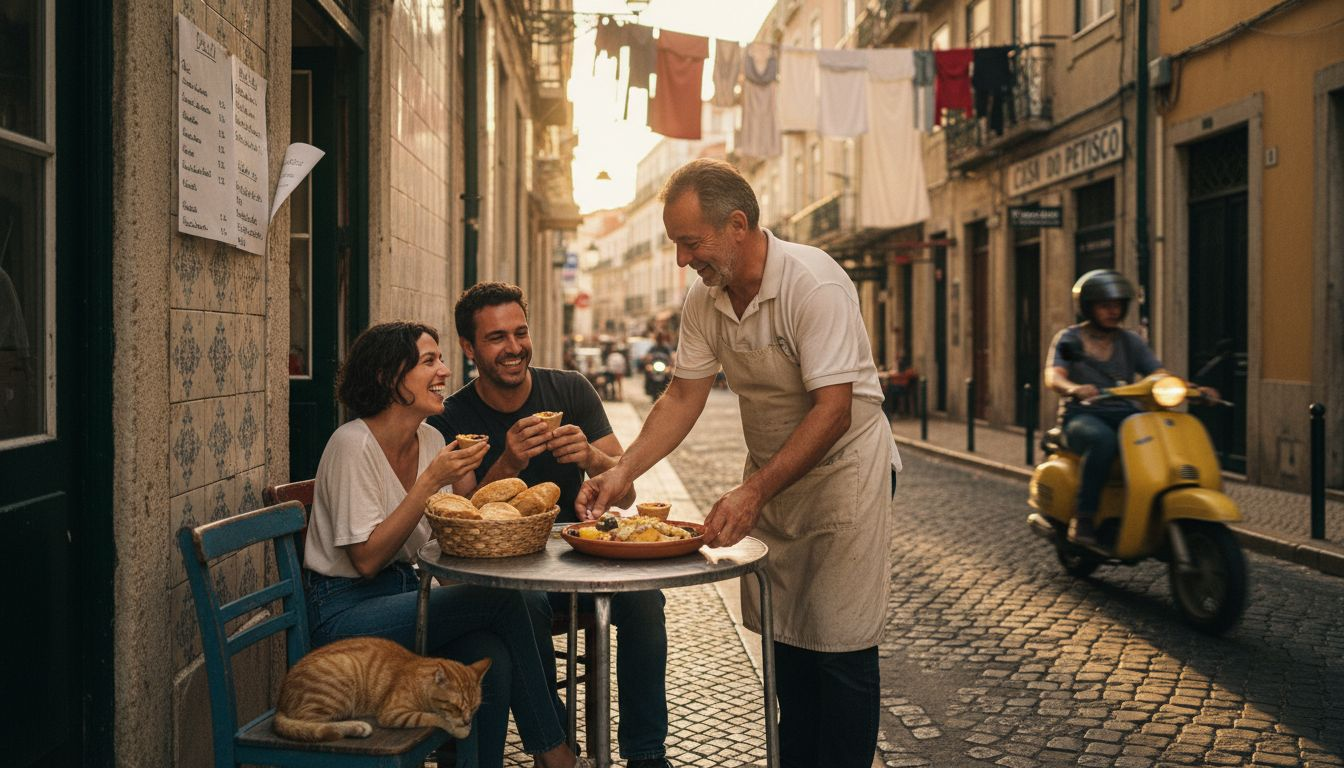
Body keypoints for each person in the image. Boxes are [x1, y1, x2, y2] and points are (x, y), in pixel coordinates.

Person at [576, 159, 900, 768]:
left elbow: (834, 410)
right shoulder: (706, 300)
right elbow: (682, 396)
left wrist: (753, 491)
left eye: (690, 243)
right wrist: (623, 472)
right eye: (675, 244)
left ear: (737, 225)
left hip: (844, 479)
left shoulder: (815, 283)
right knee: (789, 643)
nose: (681, 260)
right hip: (776, 480)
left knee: (842, 648)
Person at [302, 321, 589, 768]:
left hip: (406, 596)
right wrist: (433, 480)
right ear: (387, 377)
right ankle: (555, 751)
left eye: (441, 359)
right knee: (507, 603)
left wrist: (480, 493)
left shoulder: (432, 439)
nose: (445, 371)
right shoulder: (352, 444)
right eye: (429, 361)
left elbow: (442, 537)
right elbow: (366, 560)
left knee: (489, 656)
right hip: (344, 615)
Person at [429, 283, 674, 768]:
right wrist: (508, 463)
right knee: (525, 607)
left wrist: (591, 456)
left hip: (578, 557)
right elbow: (465, 518)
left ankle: (647, 755)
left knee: (646, 599)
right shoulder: (452, 417)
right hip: (510, 573)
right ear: (468, 347)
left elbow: (625, 492)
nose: (514, 347)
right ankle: (557, 742)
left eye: (520, 332)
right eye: (497, 337)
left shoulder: (570, 389)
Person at [1044, 270, 1173, 547]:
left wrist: (1183, 387)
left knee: (1161, 436)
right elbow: (1054, 375)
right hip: (1082, 415)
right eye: (1105, 305)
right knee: (1103, 441)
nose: (1113, 311)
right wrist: (1073, 388)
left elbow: (1156, 371)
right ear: (1088, 307)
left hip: (1124, 412)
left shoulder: (1130, 341)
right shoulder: (1070, 339)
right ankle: (1085, 517)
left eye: (1117, 305)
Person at [641, 333, 673, 400]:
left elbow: (671, 358)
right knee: (647, 371)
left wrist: (670, 365)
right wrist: (647, 360)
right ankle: (648, 388)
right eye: (658, 338)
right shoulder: (653, 348)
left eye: (660, 338)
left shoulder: (666, 348)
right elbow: (647, 356)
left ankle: (669, 390)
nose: (659, 339)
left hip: (664, 367)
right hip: (654, 367)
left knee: (670, 375)